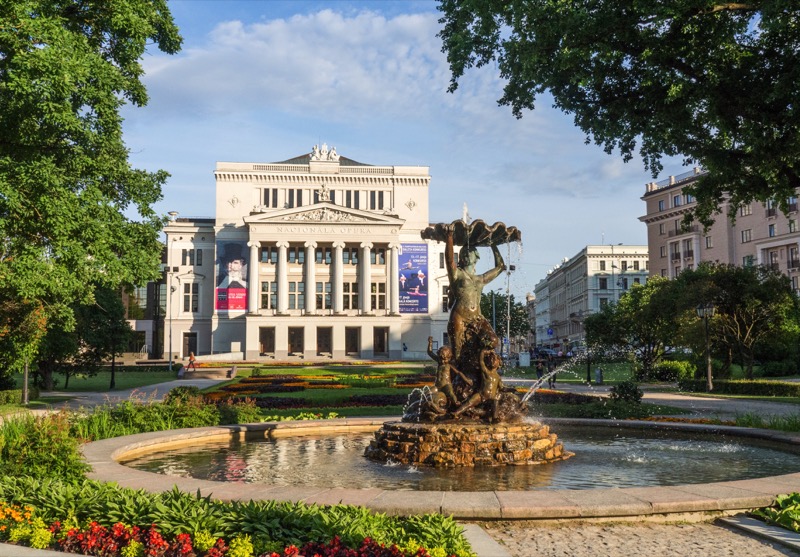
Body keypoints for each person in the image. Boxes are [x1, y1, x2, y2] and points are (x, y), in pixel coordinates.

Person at [443, 224, 506, 361]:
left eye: (469, 252)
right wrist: (449, 237)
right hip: (459, 317)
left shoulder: (481, 279)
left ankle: (481, 365)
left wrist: (493, 245)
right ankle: (457, 377)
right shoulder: (457, 275)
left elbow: (501, 267)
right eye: (463, 253)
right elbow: (449, 260)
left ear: (476, 256)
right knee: (457, 353)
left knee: (493, 340)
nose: (465, 255)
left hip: (477, 317)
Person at [451, 348, 502, 421]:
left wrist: (512, 389)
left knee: (495, 402)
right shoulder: (486, 371)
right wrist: (484, 351)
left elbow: (502, 387)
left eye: (494, 359)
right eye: (491, 359)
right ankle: (456, 413)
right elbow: (481, 360)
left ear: (499, 363)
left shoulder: (497, 377)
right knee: (469, 402)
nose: (492, 360)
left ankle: (494, 418)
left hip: (490, 398)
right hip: (481, 395)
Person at [427, 336, 472, 407]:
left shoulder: (449, 365)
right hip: (437, 386)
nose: (442, 361)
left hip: (446, 385)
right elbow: (430, 353)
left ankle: (456, 403)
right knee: (427, 393)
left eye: (444, 359)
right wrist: (430, 343)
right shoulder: (439, 361)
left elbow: (458, 373)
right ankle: (427, 404)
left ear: (449, 357)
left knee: (451, 393)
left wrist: (466, 380)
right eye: (441, 359)